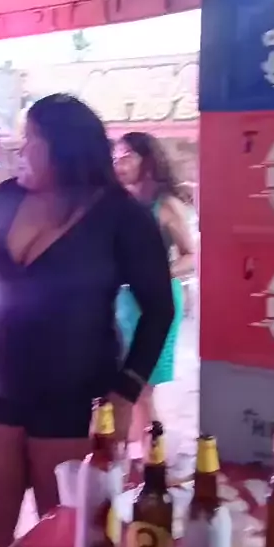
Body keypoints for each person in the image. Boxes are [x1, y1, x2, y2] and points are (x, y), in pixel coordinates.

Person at [0, 93, 174, 547]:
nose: (19, 149)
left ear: (64, 149)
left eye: (30, 139)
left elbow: (159, 310)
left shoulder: (122, 217)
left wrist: (125, 392)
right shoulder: (4, 199)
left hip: (76, 404)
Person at [114, 132, 195, 438]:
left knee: (141, 389)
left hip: (156, 304)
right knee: (124, 388)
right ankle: (135, 453)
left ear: (147, 161)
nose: (119, 165)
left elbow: (191, 256)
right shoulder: (120, 202)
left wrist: (157, 275)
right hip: (122, 303)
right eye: (115, 158)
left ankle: (150, 456)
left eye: (127, 157)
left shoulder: (166, 205)